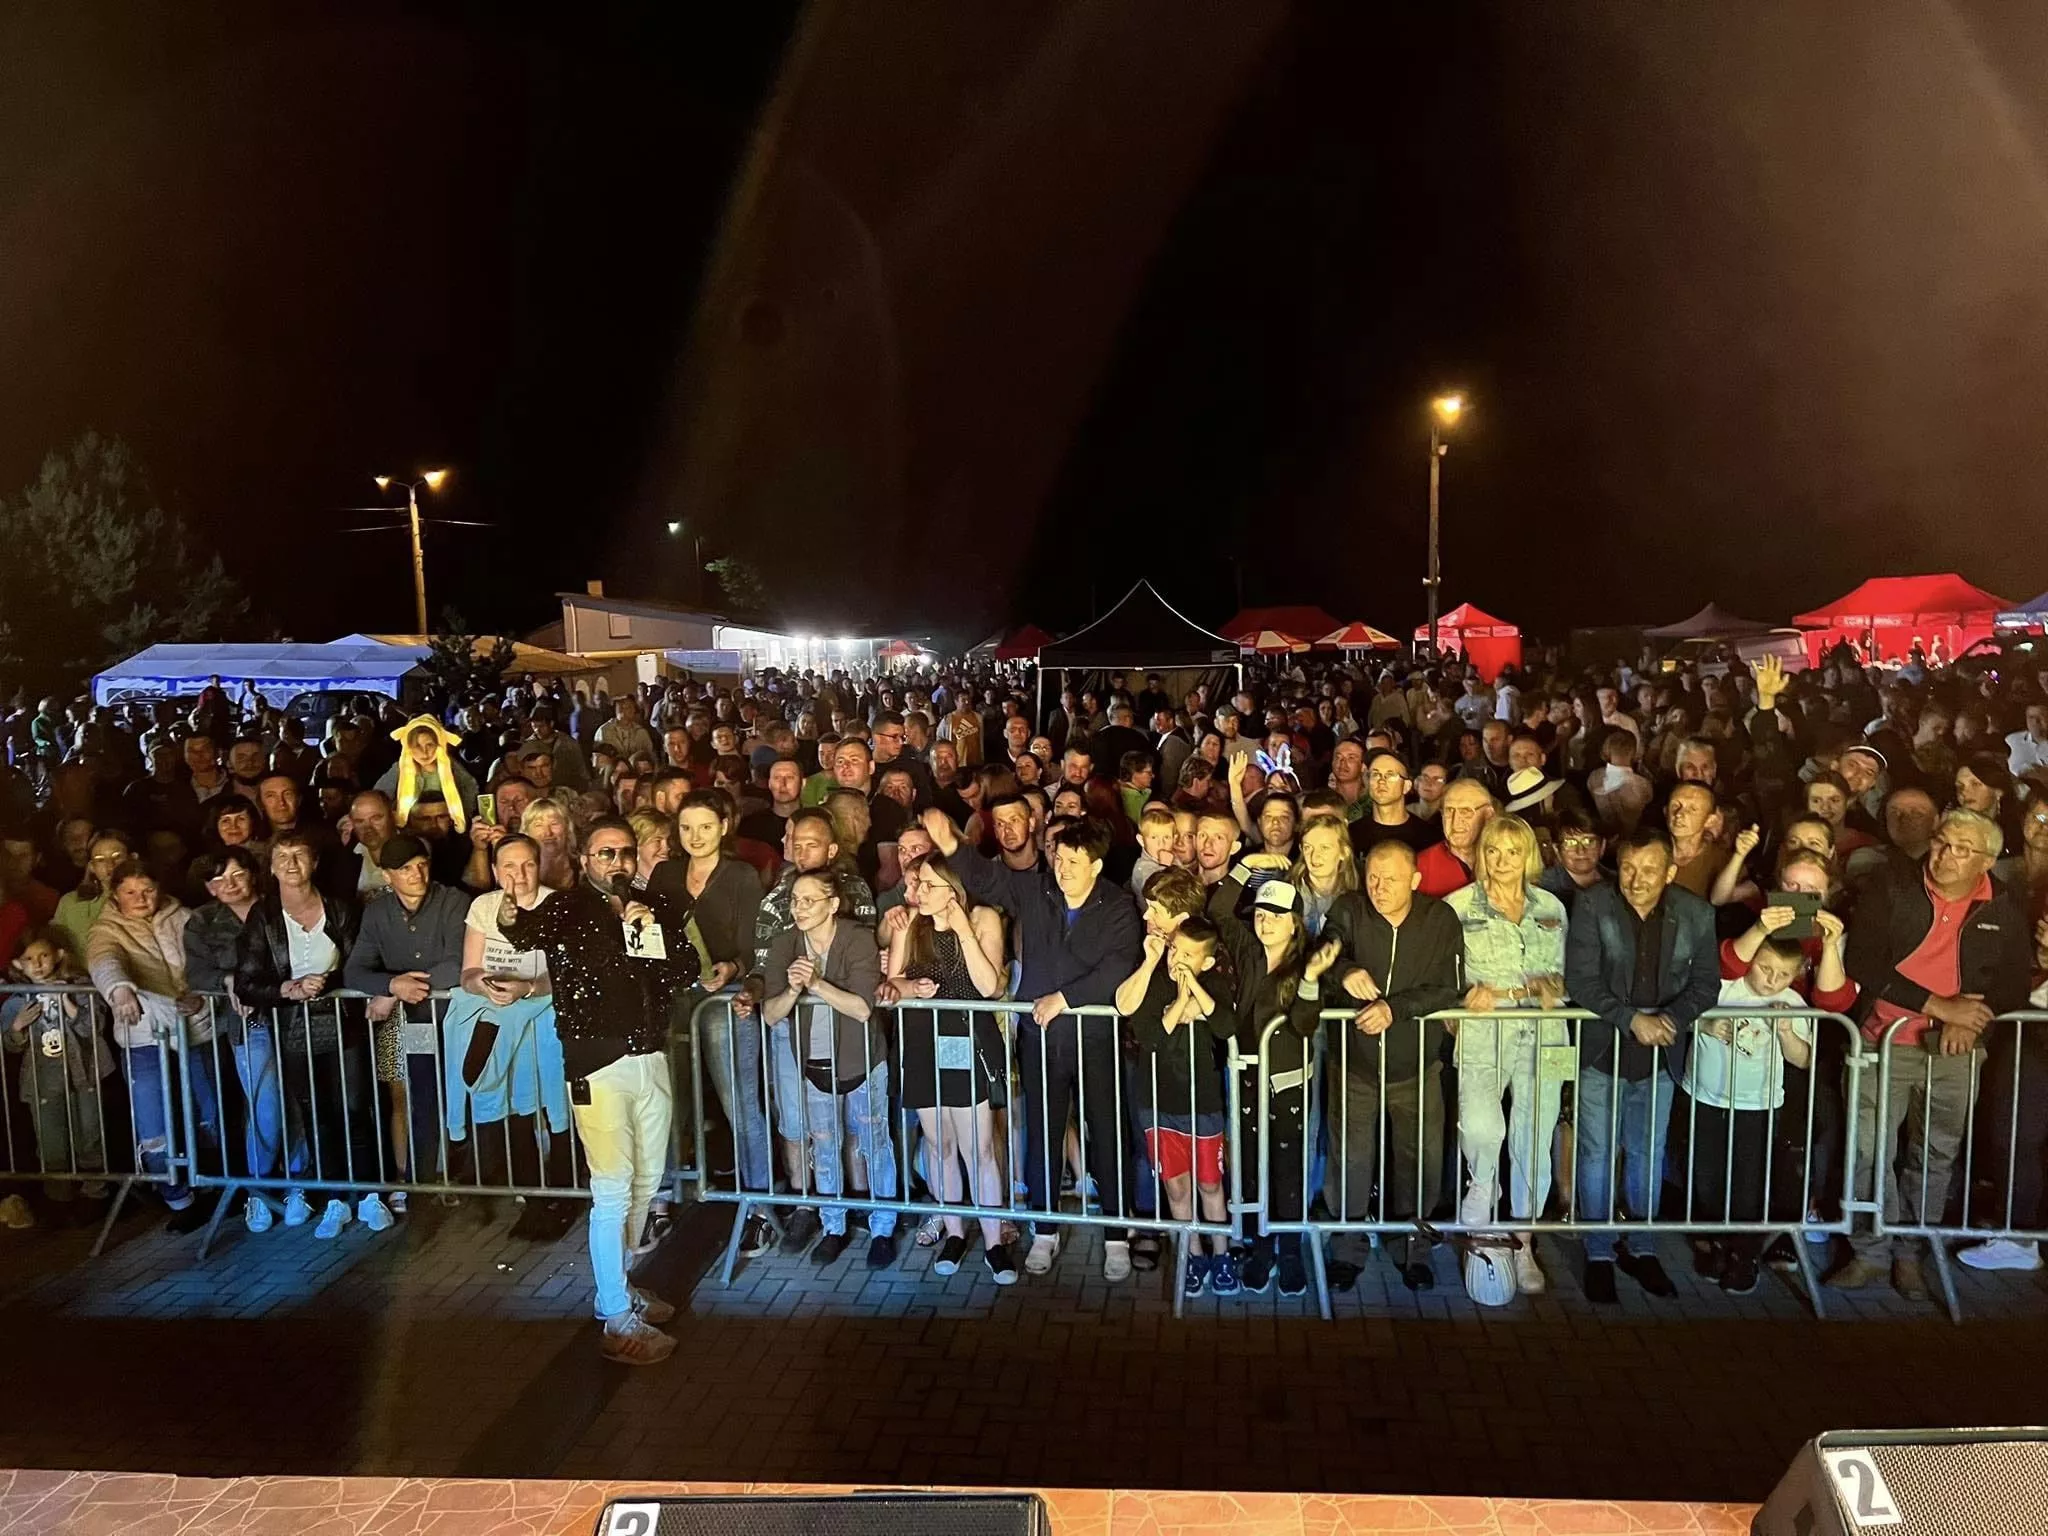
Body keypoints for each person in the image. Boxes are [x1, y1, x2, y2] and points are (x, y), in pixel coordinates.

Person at [497, 816, 699, 1364]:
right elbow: (524, 931)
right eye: (605, 853)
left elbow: (686, 968)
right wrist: (510, 911)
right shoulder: (568, 907)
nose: (617, 862)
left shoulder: (650, 908)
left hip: (650, 1055)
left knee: (646, 1181)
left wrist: (649, 932)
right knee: (612, 1188)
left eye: (625, 852)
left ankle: (621, 1285)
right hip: (598, 1064)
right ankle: (614, 1314)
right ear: (585, 860)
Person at [921, 807, 1142, 1281]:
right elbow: (987, 878)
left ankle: (1116, 1236)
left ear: (1096, 865)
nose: (1063, 869)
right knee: (1042, 1136)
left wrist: (1065, 998)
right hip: (1041, 1039)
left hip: (1096, 1039)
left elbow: (1119, 966)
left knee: (1108, 1135)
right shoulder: (1037, 890)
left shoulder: (1119, 905)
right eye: (1058, 859)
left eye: (1074, 862)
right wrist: (952, 845)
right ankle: (1045, 1231)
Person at [1833, 808, 2030, 1302]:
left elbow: (2012, 982)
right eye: (1942, 841)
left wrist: (1971, 1020)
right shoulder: (1892, 885)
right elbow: (1863, 961)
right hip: (1881, 1040)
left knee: (1937, 1155)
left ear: (1985, 861)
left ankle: (1910, 1253)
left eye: (1962, 849)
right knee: (1867, 1152)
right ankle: (1869, 1252)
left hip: (1956, 1051)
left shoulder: (2003, 903)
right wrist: (1940, 1007)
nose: (1944, 855)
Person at [1563, 824, 1720, 1304]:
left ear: (1670, 871)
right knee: (1595, 1153)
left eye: (1649, 869)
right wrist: (1632, 1020)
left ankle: (1642, 1247)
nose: (1636, 879)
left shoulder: (1696, 913)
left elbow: (1707, 983)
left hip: (1661, 1054)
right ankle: (1598, 1253)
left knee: (1647, 1153)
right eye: (1628, 868)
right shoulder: (1593, 905)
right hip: (1601, 1050)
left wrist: (1671, 1019)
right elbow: (1581, 981)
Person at [1318, 839, 1461, 1290]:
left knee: (1420, 1162)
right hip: (1354, 1064)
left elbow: (1448, 987)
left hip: (1416, 1064)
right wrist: (1344, 970)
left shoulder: (1440, 920)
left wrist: (1393, 1009)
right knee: (1350, 1161)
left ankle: (1413, 1251)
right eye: (1373, 878)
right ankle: (1347, 1251)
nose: (1379, 889)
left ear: (1415, 881)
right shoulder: (1349, 909)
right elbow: (1321, 955)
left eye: (1392, 880)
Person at [1445, 814, 1569, 1294]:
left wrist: (1554, 983)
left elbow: (1569, 971)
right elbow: (1442, 972)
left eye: (1513, 851)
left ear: (1528, 856)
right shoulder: (1458, 906)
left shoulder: (1552, 906)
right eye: (1493, 850)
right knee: (1480, 1122)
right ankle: (1484, 1186)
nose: (1502, 861)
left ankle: (1524, 1242)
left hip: (1547, 1030)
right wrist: (1461, 997)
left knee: (1535, 1134)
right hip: (1484, 1029)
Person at [752, 868, 893, 1267]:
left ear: (833, 904)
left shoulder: (857, 938)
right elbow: (771, 1014)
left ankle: (883, 1228)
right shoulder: (786, 943)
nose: (799, 908)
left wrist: (815, 984)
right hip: (812, 1062)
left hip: (862, 1060)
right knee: (825, 1145)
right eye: (795, 901)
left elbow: (862, 1008)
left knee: (874, 1143)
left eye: (809, 900)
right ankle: (833, 1227)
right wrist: (794, 988)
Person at [232, 829, 369, 1238]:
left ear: (315, 862)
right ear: (272, 867)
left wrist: (327, 981)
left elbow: (360, 963)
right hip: (293, 1027)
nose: (291, 864)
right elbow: (246, 982)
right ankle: (334, 1199)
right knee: (316, 1114)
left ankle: (368, 1193)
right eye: (283, 856)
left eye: (300, 854)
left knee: (354, 1108)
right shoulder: (264, 916)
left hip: (343, 1021)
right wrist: (287, 989)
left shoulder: (340, 909)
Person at [883, 851, 1012, 1281]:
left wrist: (963, 931)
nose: (917, 891)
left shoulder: (981, 918)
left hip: (965, 1038)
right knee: (939, 1145)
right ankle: (954, 1232)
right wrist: (909, 986)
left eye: (927, 884)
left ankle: (994, 1241)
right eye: (917, 883)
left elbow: (989, 986)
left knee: (979, 1148)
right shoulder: (909, 924)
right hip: (922, 1040)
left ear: (952, 890)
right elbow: (892, 983)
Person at [447, 832, 574, 1237]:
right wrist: (484, 985)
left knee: (553, 1106)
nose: (519, 874)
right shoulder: (483, 907)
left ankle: (564, 1193)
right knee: (515, 1109)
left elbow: (568, 973)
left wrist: (528, 988)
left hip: (544, 1019)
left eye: (527, 864)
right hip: (500, 1017)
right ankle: (529, 1195)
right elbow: (468, 972)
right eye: (509, 866)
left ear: (539, 866)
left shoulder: (558, 905)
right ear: (495, 870)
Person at [84, 860, 222, 1233]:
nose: (141, 898)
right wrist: (119, 990)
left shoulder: (185, 918)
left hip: (196, 1028)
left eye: (147, 890)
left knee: (209, 1108)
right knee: (153, 1120)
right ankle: (178, 1198)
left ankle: (213, 1186)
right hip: (144, 1032)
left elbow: (208, 962)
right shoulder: (106, 929)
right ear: (115, 895)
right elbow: (104, 960)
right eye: (130, 892)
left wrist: (201, 994)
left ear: (159, 888)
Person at [1683, 938, 1821, 1295]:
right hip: (1705, 1097)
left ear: (1796, 974)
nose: (1772, 980)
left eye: (1783, 975)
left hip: (1757, 1104)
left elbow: (1803, 1059)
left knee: (1748, 1184)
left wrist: (1786, 1032)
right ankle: (1717, 1244)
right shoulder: (1722, 988)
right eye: (1765, 968)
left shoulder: (1793, 1003)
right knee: (1706, 1177)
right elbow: (1680, 1016)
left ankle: (1744, 1256)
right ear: (1750, 959)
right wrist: (1706, 1025)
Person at [1116, 890, 1236, 1297]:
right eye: (1174, 951)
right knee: (1177, 1188)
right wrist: (1180, 1003)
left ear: (1207, 962)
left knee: (1211, 1185)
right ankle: (1192, 1254)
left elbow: (1225, 1025)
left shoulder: (1214, 982)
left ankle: (1222, 1254)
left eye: (1187, 955)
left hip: (1203, 1104)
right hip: (1157, 1102)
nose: (1177, 961)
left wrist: (1194, 994)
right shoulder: (1155, 982)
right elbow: (1149, 1035)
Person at [344, 832, 470, 1220]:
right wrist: (389, 986)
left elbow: (458, 964)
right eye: (405, 869)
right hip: (400, 1023)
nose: (417, 874)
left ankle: (450, 1176)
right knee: (402, 1095)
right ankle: (410, 1178)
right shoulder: (377, 912)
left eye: (421, 865)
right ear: (387, 875)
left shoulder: (453, 900)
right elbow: (354, 970)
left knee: (455, 1094)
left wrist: (396, 991)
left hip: (451, 1016)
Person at [182, 846, 295, 1231]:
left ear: (253, 875)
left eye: (237, 875)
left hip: (294, 1017)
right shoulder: (202, 921)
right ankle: (259, 1190)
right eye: (219, 879)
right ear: (209, 887)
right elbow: (196, 974)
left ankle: (300, 1184)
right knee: (265, 1104)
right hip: (248, 1023)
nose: (228, 884)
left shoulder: (280, 908)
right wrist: (227, 979)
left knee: (300, 1101)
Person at [2, 926, 113, 1220]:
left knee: (90, 1136)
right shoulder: (16, 1000)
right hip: (43, 1083)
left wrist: (67, 1001)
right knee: (52, 1143)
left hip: (83, 1076)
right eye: (28, 959)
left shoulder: (81, 988)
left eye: (44, 956)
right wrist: (17, 1027)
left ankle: (95, 1194)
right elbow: (10, 1046)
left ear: (59, 955)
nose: (37, 964)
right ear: (17, 964)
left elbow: (94, 1027)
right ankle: (59, 1198)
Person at [1417, 778, 1492, 897]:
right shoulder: (1422, 866)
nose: (1455, 821)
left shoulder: (1504, 860)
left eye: (1466, 811)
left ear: (1488, 815)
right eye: (1449, 811)